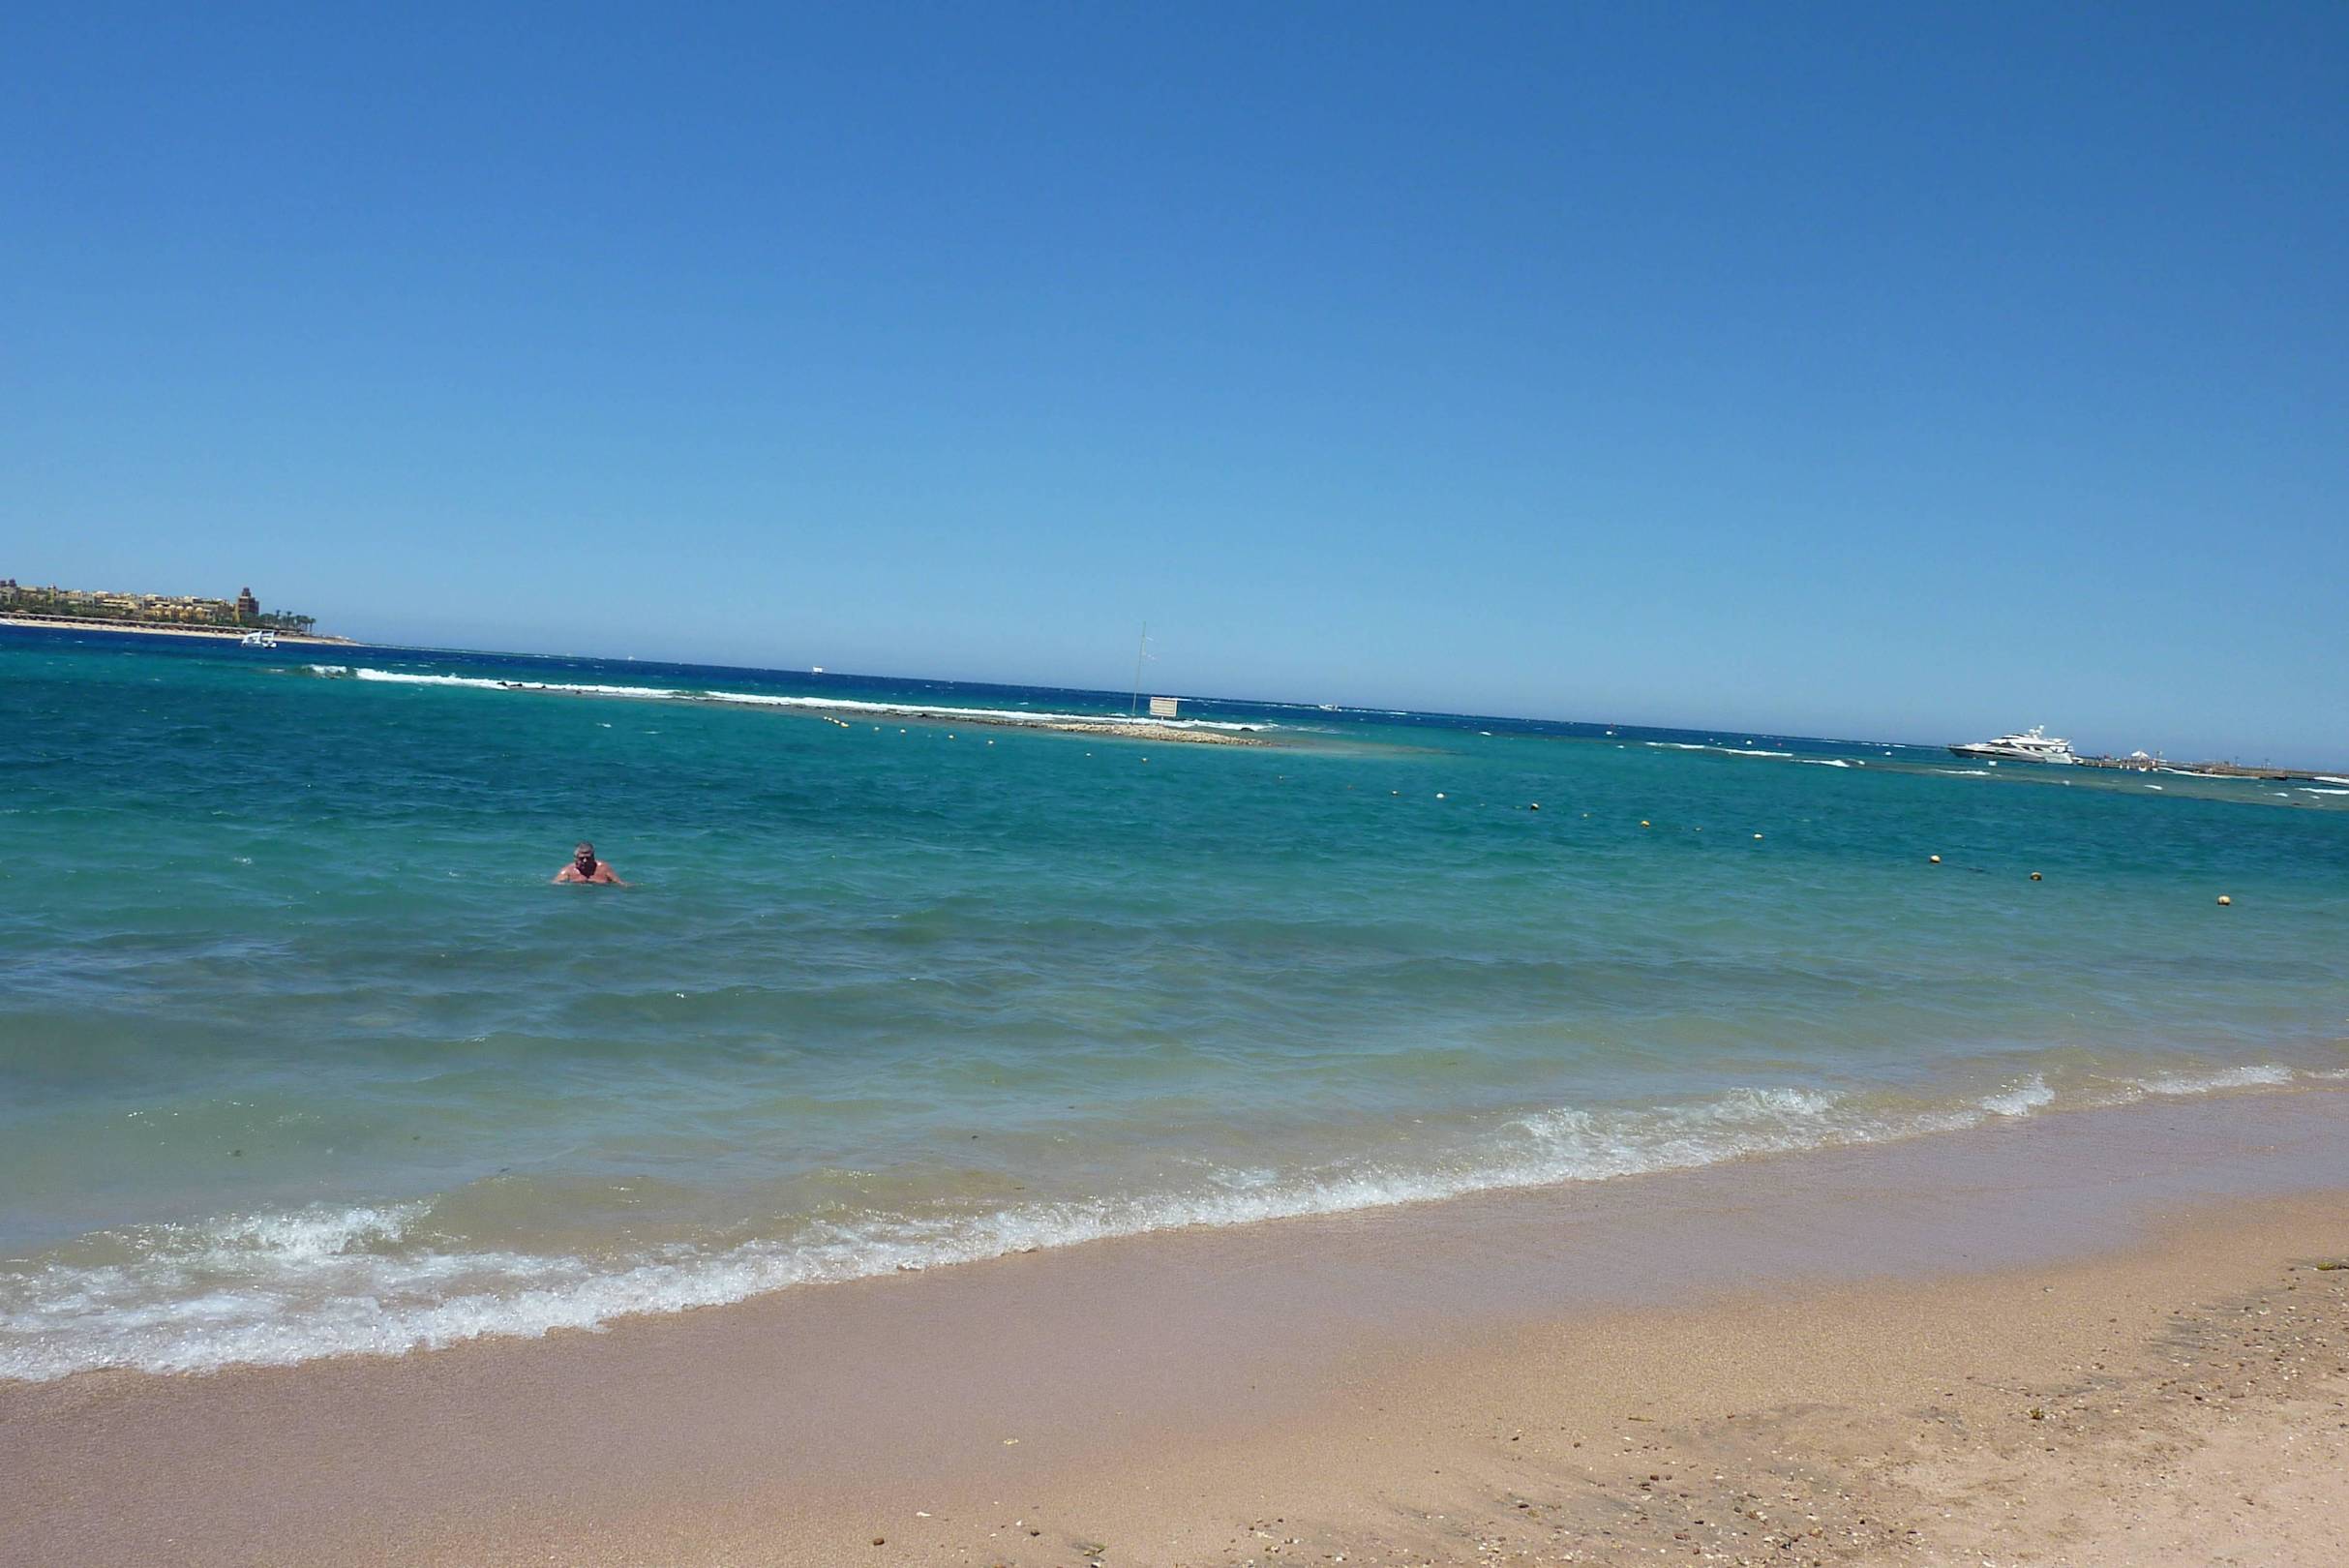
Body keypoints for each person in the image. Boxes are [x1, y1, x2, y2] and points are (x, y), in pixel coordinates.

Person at [555, 841, 626, 885]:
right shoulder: (567, 871)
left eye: (588, 858)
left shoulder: (604, 868)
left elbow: (620, 883)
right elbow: (555, 885)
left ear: (593, 858)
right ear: (575, 858)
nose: (585, 861)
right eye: (581, 858)